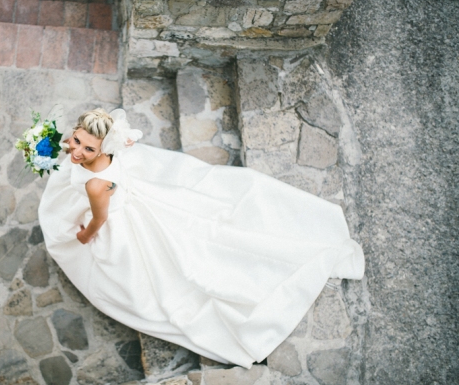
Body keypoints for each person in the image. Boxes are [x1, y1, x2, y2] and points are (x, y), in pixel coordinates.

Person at [38, 108, 365, 368]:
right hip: (131, 195)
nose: (77, 150)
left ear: (101, 148)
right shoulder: (105, 150)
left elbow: (99, 219)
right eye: (76, 141)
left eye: (87, 147)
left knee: (152, 275)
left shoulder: (95, 186)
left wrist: (84, 238)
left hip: (116, 213)